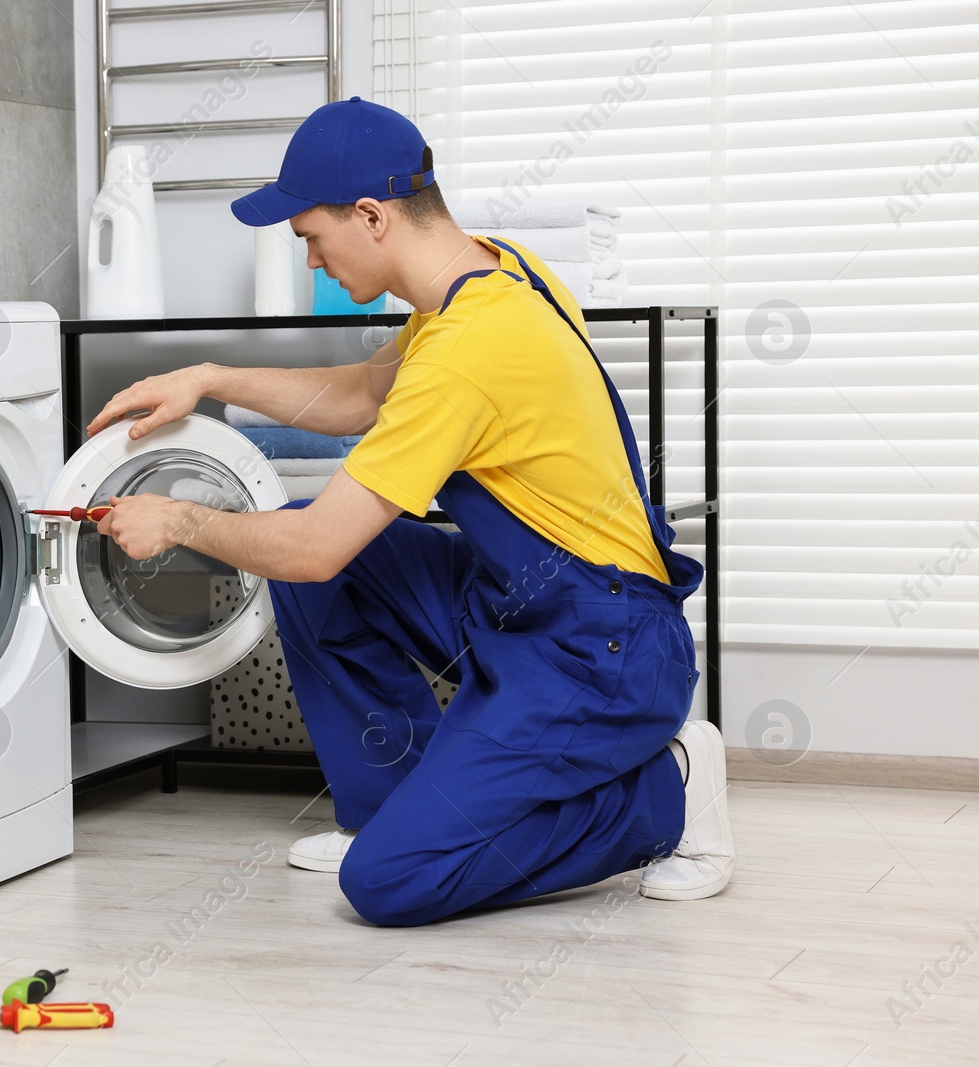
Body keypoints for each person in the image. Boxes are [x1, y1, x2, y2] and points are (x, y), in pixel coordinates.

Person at [83, 97, 734, 927]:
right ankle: (390, 803)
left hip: (599, 649)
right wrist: (211, 378)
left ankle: (666, 789)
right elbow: (361, 394)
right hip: (519, 601)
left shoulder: (466, 353)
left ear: (370, 215)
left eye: (312, 237)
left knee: (388, 884)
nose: (312, 260)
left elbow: (316, 546)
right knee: (324, 562)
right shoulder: (493, 275)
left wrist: (179, 523)